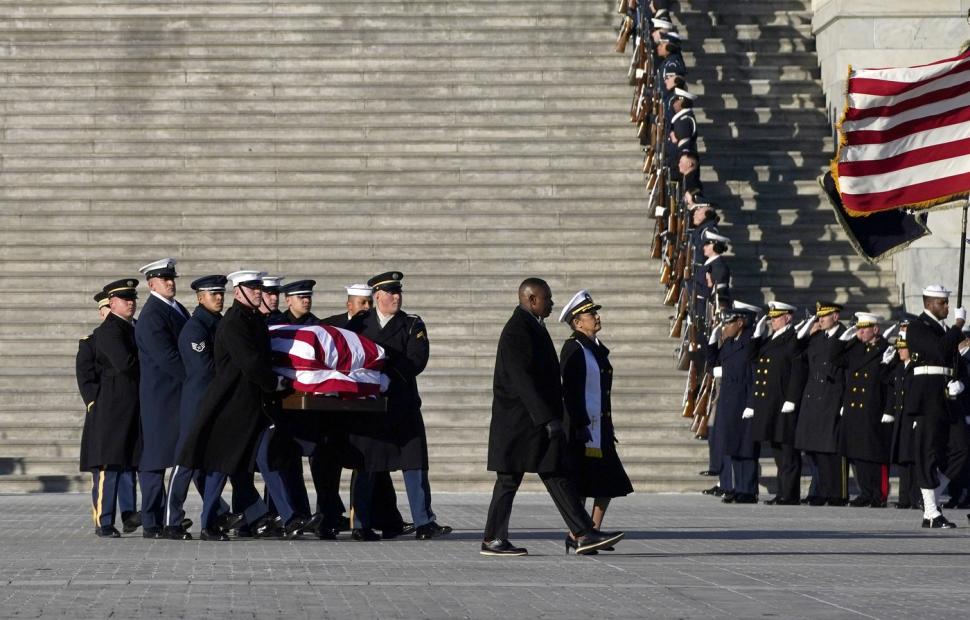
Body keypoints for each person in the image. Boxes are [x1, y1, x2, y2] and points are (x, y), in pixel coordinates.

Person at [483, 278, 624, 557]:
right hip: (520, 423)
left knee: (555, 474)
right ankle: (493, 539)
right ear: (532, 299)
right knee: (510, 480)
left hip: (532, 423)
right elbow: (522, 380)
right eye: (547, 298)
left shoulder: (533, 325)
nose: (552, 303)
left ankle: (582, 533)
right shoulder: (517, 329)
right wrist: (547, 418)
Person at [177, 270, 301, 540]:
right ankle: (208, 523)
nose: (258, 292)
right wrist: (276, 383)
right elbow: (251, 363)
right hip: (232, 406)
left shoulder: (254, 319)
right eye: (252, 288)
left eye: (258, 288)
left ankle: (290, 518)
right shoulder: (234, 322)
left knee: (267, 459)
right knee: (221, 467)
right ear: (238, 292)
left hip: (255, 405)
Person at [345, 271, 451, 541]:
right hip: (370, 407)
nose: (396, 297)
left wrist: (385, 373)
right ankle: (361, 524)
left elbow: (416, 359)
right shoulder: (359, 324)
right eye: (391, 293)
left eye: (398, 292)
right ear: (377, 296)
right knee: (367, 465)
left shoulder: (412, 324)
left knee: (414, 464)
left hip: (402, 404)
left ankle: (424, 521)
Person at [163, 275, 236, 540]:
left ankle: (215, 518)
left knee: (215, 463)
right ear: (200, 297)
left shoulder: (221, 324)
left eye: (221, 293)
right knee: (186, 463)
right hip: (198, 404)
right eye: (213, 294)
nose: (219, 298)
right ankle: (171, 521)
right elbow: (204, 369)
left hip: (218, 404)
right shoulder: (195, 328)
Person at [558, 290, 633, 534]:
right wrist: (579, 425)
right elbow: (570, 391)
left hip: (600, 426)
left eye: (595, 312)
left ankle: (593, 529)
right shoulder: (573, 348)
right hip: (581, 428)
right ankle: (577, 533)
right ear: (578, 322)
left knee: (608, 480)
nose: (597, 317)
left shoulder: (596, 349)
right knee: (580, 483)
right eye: (590, 314)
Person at [903, 285, 968, 528]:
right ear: (930, 303)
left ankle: (931, 497)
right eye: (943, 303)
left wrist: (960, 382)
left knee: (962, 448)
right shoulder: (918, 326)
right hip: (927, 396)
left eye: (948, 303)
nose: (947, 307)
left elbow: (956, 362)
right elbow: (940, 351)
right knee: (927, 452)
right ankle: (931, 512)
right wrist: (958, 325)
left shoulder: (943, 330)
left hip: (948, 397)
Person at [134, 258, 190, 538]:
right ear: (151, 284)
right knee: (155, 461)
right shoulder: (152, 315)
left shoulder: (175, 308)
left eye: (171, 278)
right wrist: (195, 377)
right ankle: (152, 521)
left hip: (176, 395)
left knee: (183, 456)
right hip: (161, 398)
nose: (170, 283)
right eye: (164, 279)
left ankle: (169, 515)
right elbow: (167, 357)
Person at [81, 279, 142, 537]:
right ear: (112, 303)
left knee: (127, 463)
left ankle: (129, 515)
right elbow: (125, 364)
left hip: (130, 407)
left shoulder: (132, 328)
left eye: (133, 299)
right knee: (108, 466)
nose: (131, 303)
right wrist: (94, 402)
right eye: (125, 299)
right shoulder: (107, 332)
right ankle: (104, 521)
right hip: (110, 410)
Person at [742, 301, 805, 505]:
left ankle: (790, 495)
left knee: (788, 452)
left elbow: (797, 371)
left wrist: (792, 399)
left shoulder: (793, 338)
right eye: (771, 318)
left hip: (783, 402)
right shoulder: (772, 338)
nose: (772, 321)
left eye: (776, 318)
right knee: (778, 451)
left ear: (787, 317)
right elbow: (752, 358)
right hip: (770, 403)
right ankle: (782, 492)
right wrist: (756, 336)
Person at [793, 302, 849, 506]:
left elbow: (848, 372)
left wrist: (845, 402)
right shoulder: (817, 337)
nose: (821, 320)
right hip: (813, 398)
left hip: (832, 397)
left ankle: (838, 494)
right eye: (819, 316)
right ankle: (820, 490)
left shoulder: (845, 337)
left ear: (835, 316)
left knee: (831, 451)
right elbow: (796, 354)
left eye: (824, 316)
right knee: (814, 450)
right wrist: (807, 331)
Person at [834, 313, 892, 507]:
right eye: (858, 329)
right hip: (855, 409)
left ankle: (879, 495)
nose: (860, 332)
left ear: (875, 329)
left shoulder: (886, 349)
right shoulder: (856, 348)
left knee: (874, 455)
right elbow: (835, 359)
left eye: (864, 329)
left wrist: (888, 410)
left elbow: (888, 384)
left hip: (873, 408)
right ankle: (865, 492)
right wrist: (847, 339)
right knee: (858, 453)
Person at [706, 302, 761, 504]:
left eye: (728, 323)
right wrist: (712, 342)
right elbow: (712, 365)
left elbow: (755, 377)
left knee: (746, 448)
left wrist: (752, 404)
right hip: (728, 401)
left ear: (740, 323)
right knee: (732, 446)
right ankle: (737, 488)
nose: (725, 327)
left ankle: (748, 490)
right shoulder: (729, 343)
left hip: (744, 400)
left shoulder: (750, 344)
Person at [886, 331, 920, 510]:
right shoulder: (899, 368)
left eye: (902, 348)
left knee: (912, 460)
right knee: (902, 460)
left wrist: (917, 417)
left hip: (911, 418)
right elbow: (885, 380)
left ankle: (914, 498)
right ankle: (904, 498)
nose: (899, 351)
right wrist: (887, 362)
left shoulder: (916, 368)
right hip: (900, 419)